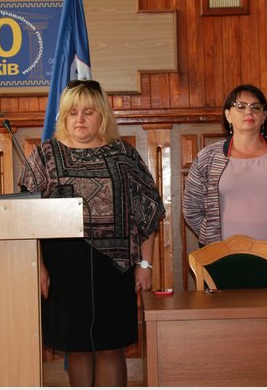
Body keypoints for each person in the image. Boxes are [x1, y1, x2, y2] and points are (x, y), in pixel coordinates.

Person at [19, 79, 165, 386]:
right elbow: (25, 216)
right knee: (77, 348)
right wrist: (38, 265)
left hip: (114, 266)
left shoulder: (123, 154)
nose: (80, 120)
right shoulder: (44, 156)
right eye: (72, 113)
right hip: (62, 266)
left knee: (111, 347)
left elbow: (149, 211)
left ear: (103, 116)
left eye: (88, 112)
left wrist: (145, 264)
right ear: (63, 117)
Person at [182, 84, 267, 286]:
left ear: (264, 116)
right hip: (222, 263)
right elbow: (192, 209)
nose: (249, 112)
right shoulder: (207, 158)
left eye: (255, 107)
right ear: (228, 115)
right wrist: (213, 234)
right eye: (240, 106)